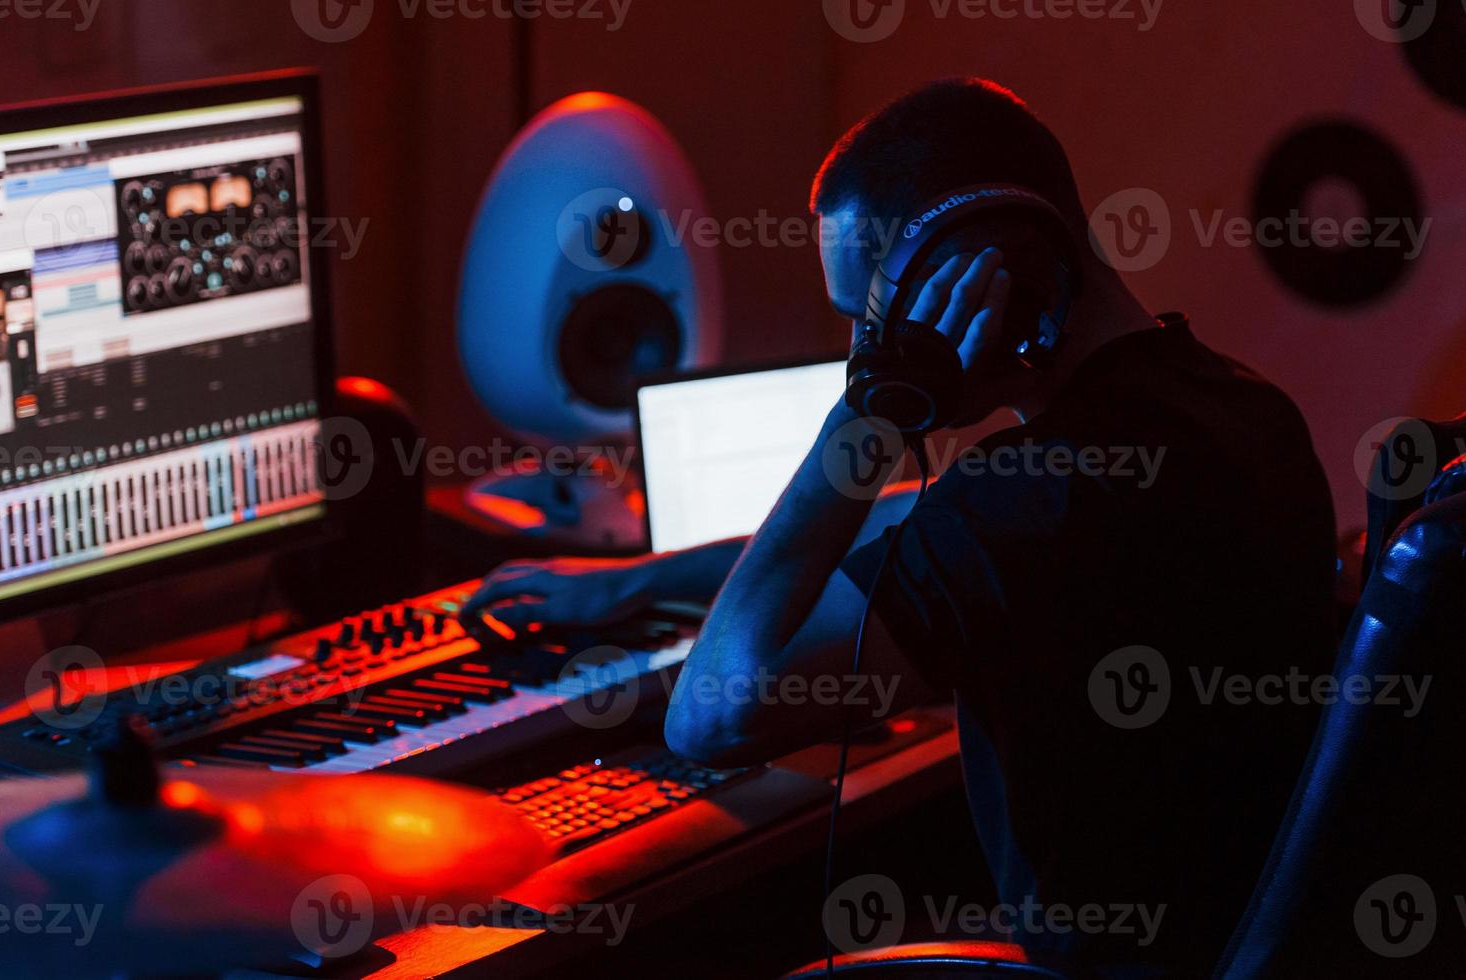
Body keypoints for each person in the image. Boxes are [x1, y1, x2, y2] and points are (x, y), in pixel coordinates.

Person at [464, 78, 1337, 975]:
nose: (861, 359)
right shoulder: (1237, 408)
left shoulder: (1033, 502)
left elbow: (714, 713)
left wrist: (869, 418)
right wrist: (635, 581)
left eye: (872, 323)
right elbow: (908, 522)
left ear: (983, 261)